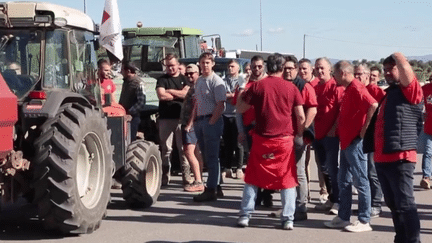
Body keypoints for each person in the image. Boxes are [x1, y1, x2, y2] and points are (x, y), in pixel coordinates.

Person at [236, 53, 305, 230]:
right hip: (284, 140)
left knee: (252, 177)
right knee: (287, 179)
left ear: (267, 67)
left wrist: (243, 90)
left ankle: (245, 215)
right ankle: (288, 218)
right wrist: (298, 134)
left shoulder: (258, 86)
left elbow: (241, 107)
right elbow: (300, 115)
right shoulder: (291, 88)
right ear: (282, 68)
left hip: (261, 139)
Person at [364, 52, 422, 242]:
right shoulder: (389, 94)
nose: (388, 73)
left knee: (405, 204)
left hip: (400, 158)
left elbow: (405, 69)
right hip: (383, 158)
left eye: (392, 69)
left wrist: (398, 56)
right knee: (394, 204)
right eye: (385, 70)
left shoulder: (410, 90)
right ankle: (401, 239)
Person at [324, 61, 377, 232]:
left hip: (354, 142)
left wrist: (363, 131)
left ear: (343, 73)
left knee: (361, 180)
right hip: (346, 142)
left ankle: (364, 220)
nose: (333, 77)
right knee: (343, 180)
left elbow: (373, 105)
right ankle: (343, 216)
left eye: (335, 74)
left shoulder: (356, 87)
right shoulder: (348, 89)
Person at [283, 55, 317, 221]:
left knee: (298, 171)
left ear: (296, 69)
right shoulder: (281, 84)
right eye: (285, 68)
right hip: (282, 136)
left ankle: (301, 207)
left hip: (298, 136)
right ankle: (288, 207)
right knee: (285, 172)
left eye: (291, 68)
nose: (288, 71)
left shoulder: (304, 86)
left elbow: (312, 110)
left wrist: (301, 131)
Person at [192, 52, 226, 202]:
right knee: (207, 156)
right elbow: (196, 102)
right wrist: (193, 121)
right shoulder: (199, 81)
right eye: (202, 62)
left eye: (208, 62)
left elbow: (221, 104)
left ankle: (210, 189)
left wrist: (212, 121)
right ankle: (217, 186)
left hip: (211, 120)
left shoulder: (216, 80)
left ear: (212, 64)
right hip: (200, 120)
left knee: (212, 156)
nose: (205, 65)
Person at [313, 57, 345, 215]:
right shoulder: (315, 87)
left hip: (331, 135)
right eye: (317, 68)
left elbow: (341, 110)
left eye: (322, 68)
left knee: (333, 169)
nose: (320, 71)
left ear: (330, 69)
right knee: (323, 169)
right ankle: (332, 198)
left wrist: (334, 128)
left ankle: (338, 201)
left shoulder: (336, 87)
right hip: (317, 134)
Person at [156, 53, 192, 187]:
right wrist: (178, 94)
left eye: (173, 65)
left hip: (181, 118)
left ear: (178, 65)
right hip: (165, 118)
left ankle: (186, 176)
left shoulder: (185, 79)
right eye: (168, 66)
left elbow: (186, 94)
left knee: (183, 149)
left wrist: (170, 91)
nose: (170, 68)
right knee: (166, 148)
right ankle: (165, 174)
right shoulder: (161, 80)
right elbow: (161, 96)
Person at [354, 64, 384, 217]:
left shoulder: (377, 92)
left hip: (372, 138)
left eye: (361, 74)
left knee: (372, 172)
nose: (359, 77)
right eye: (356, 74)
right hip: (358, 138)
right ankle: (365, 204)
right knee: (361, 173)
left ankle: (376, 204)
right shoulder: (357, 90)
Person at [298, 58, 328, 204]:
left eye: (305, 69)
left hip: (317, 129)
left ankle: (323, 191)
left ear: (312, 70)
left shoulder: (317, 84)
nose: (302, 71)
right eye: (300, 69)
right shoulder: (298, 85)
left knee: (320, 162)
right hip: (304, 129)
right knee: (304, 162)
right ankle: (306, 192)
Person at [180, 64, 205, 192]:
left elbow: (195, 106)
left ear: (198, 73)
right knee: (196, 152)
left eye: (192, 73)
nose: (189, 76)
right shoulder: (194, 86)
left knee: (189, 152)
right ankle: (199, 178)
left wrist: (189, 124)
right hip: (194, 123)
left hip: (192, 124)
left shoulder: (196, 87)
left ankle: (198, 181)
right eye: (187, 74)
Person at [221, 59, 244, 179]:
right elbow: (221, 95)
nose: (230, 68)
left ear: (238, 68)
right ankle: (228, 167)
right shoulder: (223, 81)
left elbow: (240, 96)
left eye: (233, 66)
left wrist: (233, 96)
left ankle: (239, 168)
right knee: (228, 143)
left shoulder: (242, 80)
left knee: (238, 144)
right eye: (229, 66)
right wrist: (232, 96)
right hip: (226, 115)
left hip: (237, 115)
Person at [119, 61, 146, 142]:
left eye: (122, 70)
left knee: (130, 139)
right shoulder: (126, 82)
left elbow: (141, 102)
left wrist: (130, 112)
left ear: (128, 71)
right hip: (123, 115)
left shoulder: (138, 83)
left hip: (132, 117)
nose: (121, 72)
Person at [421, 79, 432, 189]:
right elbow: (416, 100)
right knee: (428, 152)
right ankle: (426, 177)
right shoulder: (426, 88)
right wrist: (421, 113)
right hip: (429, 127)